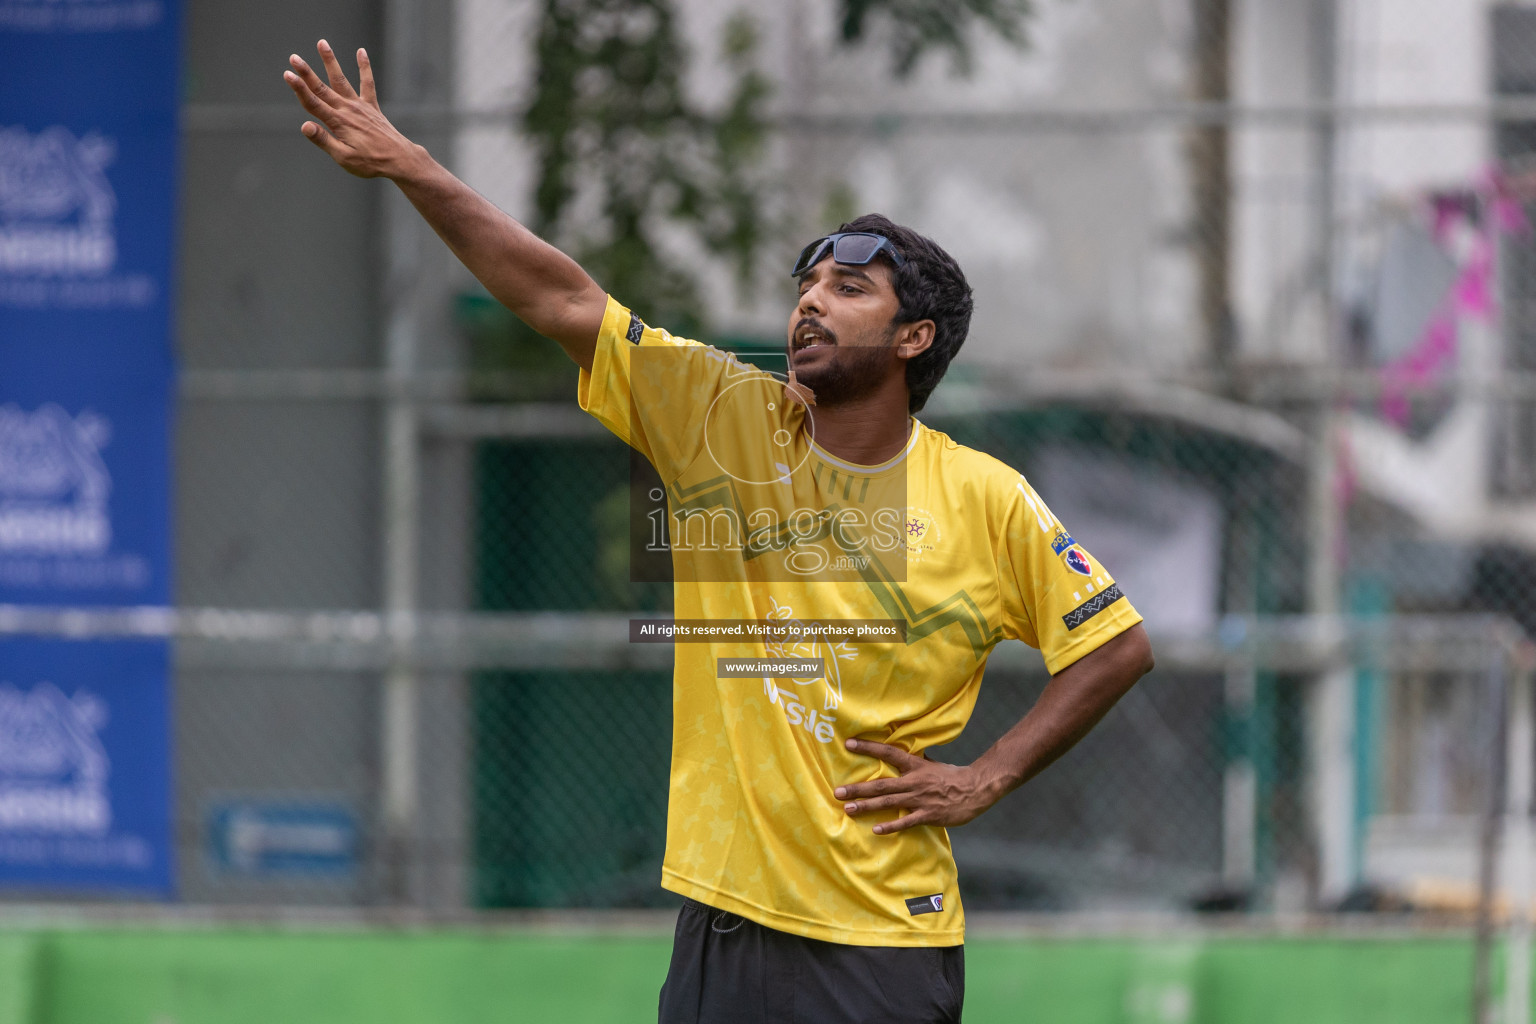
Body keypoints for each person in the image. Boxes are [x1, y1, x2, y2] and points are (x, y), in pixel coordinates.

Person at [284, 40, 1154, 1024]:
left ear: (916, 339)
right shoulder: (722, 417)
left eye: (849, 289)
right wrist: (413, 165)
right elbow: (564, 297)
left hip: (880, 938)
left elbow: (1115, 645)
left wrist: (984, 776)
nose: (811, 302)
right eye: (806, 286)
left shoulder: (984, 496)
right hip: (723, 926)